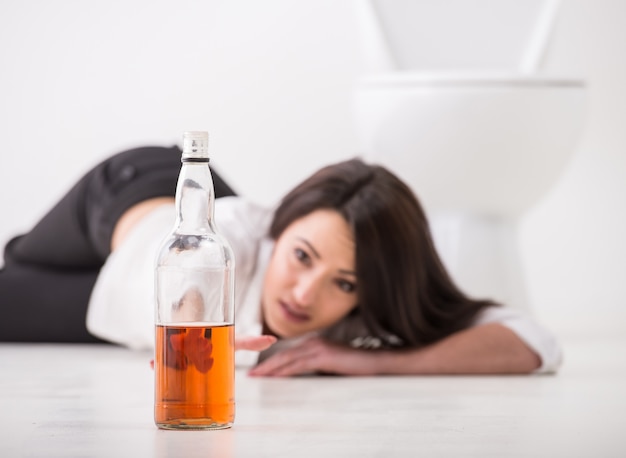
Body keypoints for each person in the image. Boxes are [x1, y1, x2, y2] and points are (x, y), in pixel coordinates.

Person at [0, 145, 562, 376]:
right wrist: (196, 326)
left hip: (116, 299)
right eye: (301, 256)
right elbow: (186, 277)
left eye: (343, 283)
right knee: (23, 256)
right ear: (281, 225)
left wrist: (372, 363)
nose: (305, 294)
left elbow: (535, 342)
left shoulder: (362, 314)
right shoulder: (239, 234)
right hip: (133, 197)